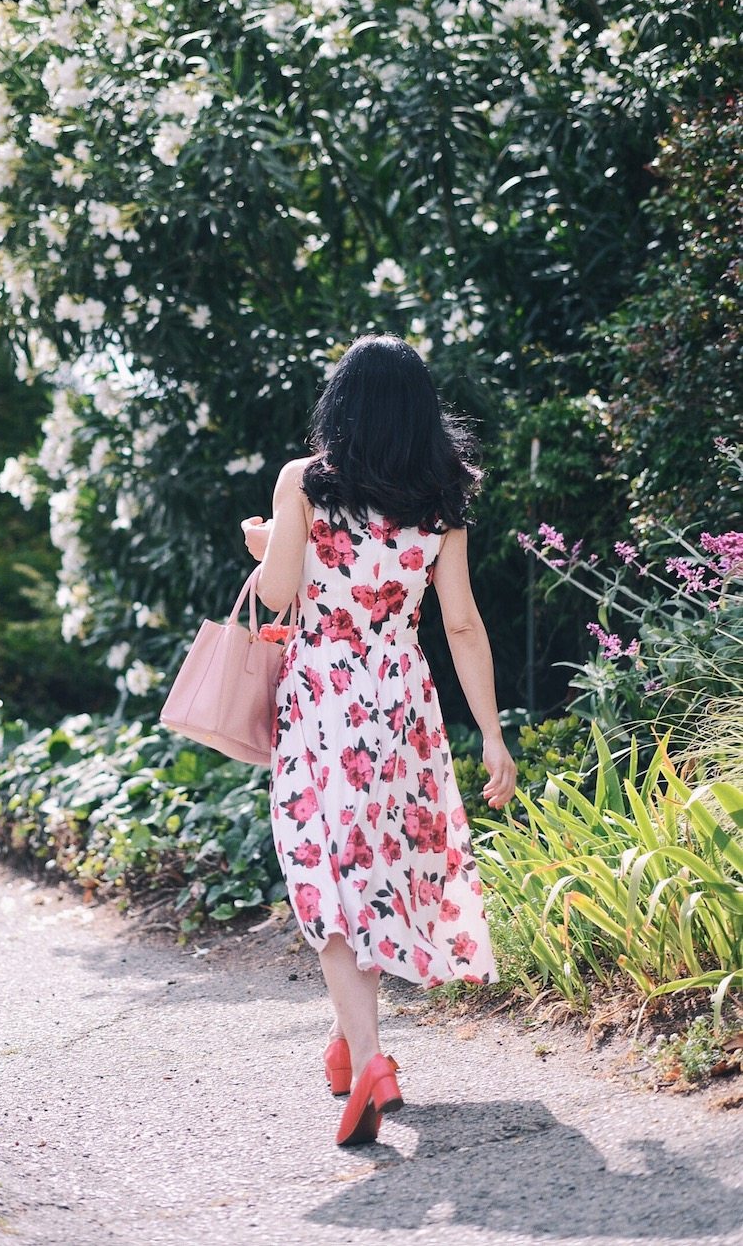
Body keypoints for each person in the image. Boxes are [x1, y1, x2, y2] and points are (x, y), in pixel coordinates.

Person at [240, 333, 516, 1148]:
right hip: (401, 704)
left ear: (343, 404)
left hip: (326, 701)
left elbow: (282, 595)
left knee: (329, 876)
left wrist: (268, 542)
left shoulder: (306, 482)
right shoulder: (442, 500)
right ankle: (349, 1046)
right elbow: (461, 625)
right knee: (372, 870)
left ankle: (370, 1062)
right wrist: (492, 737)